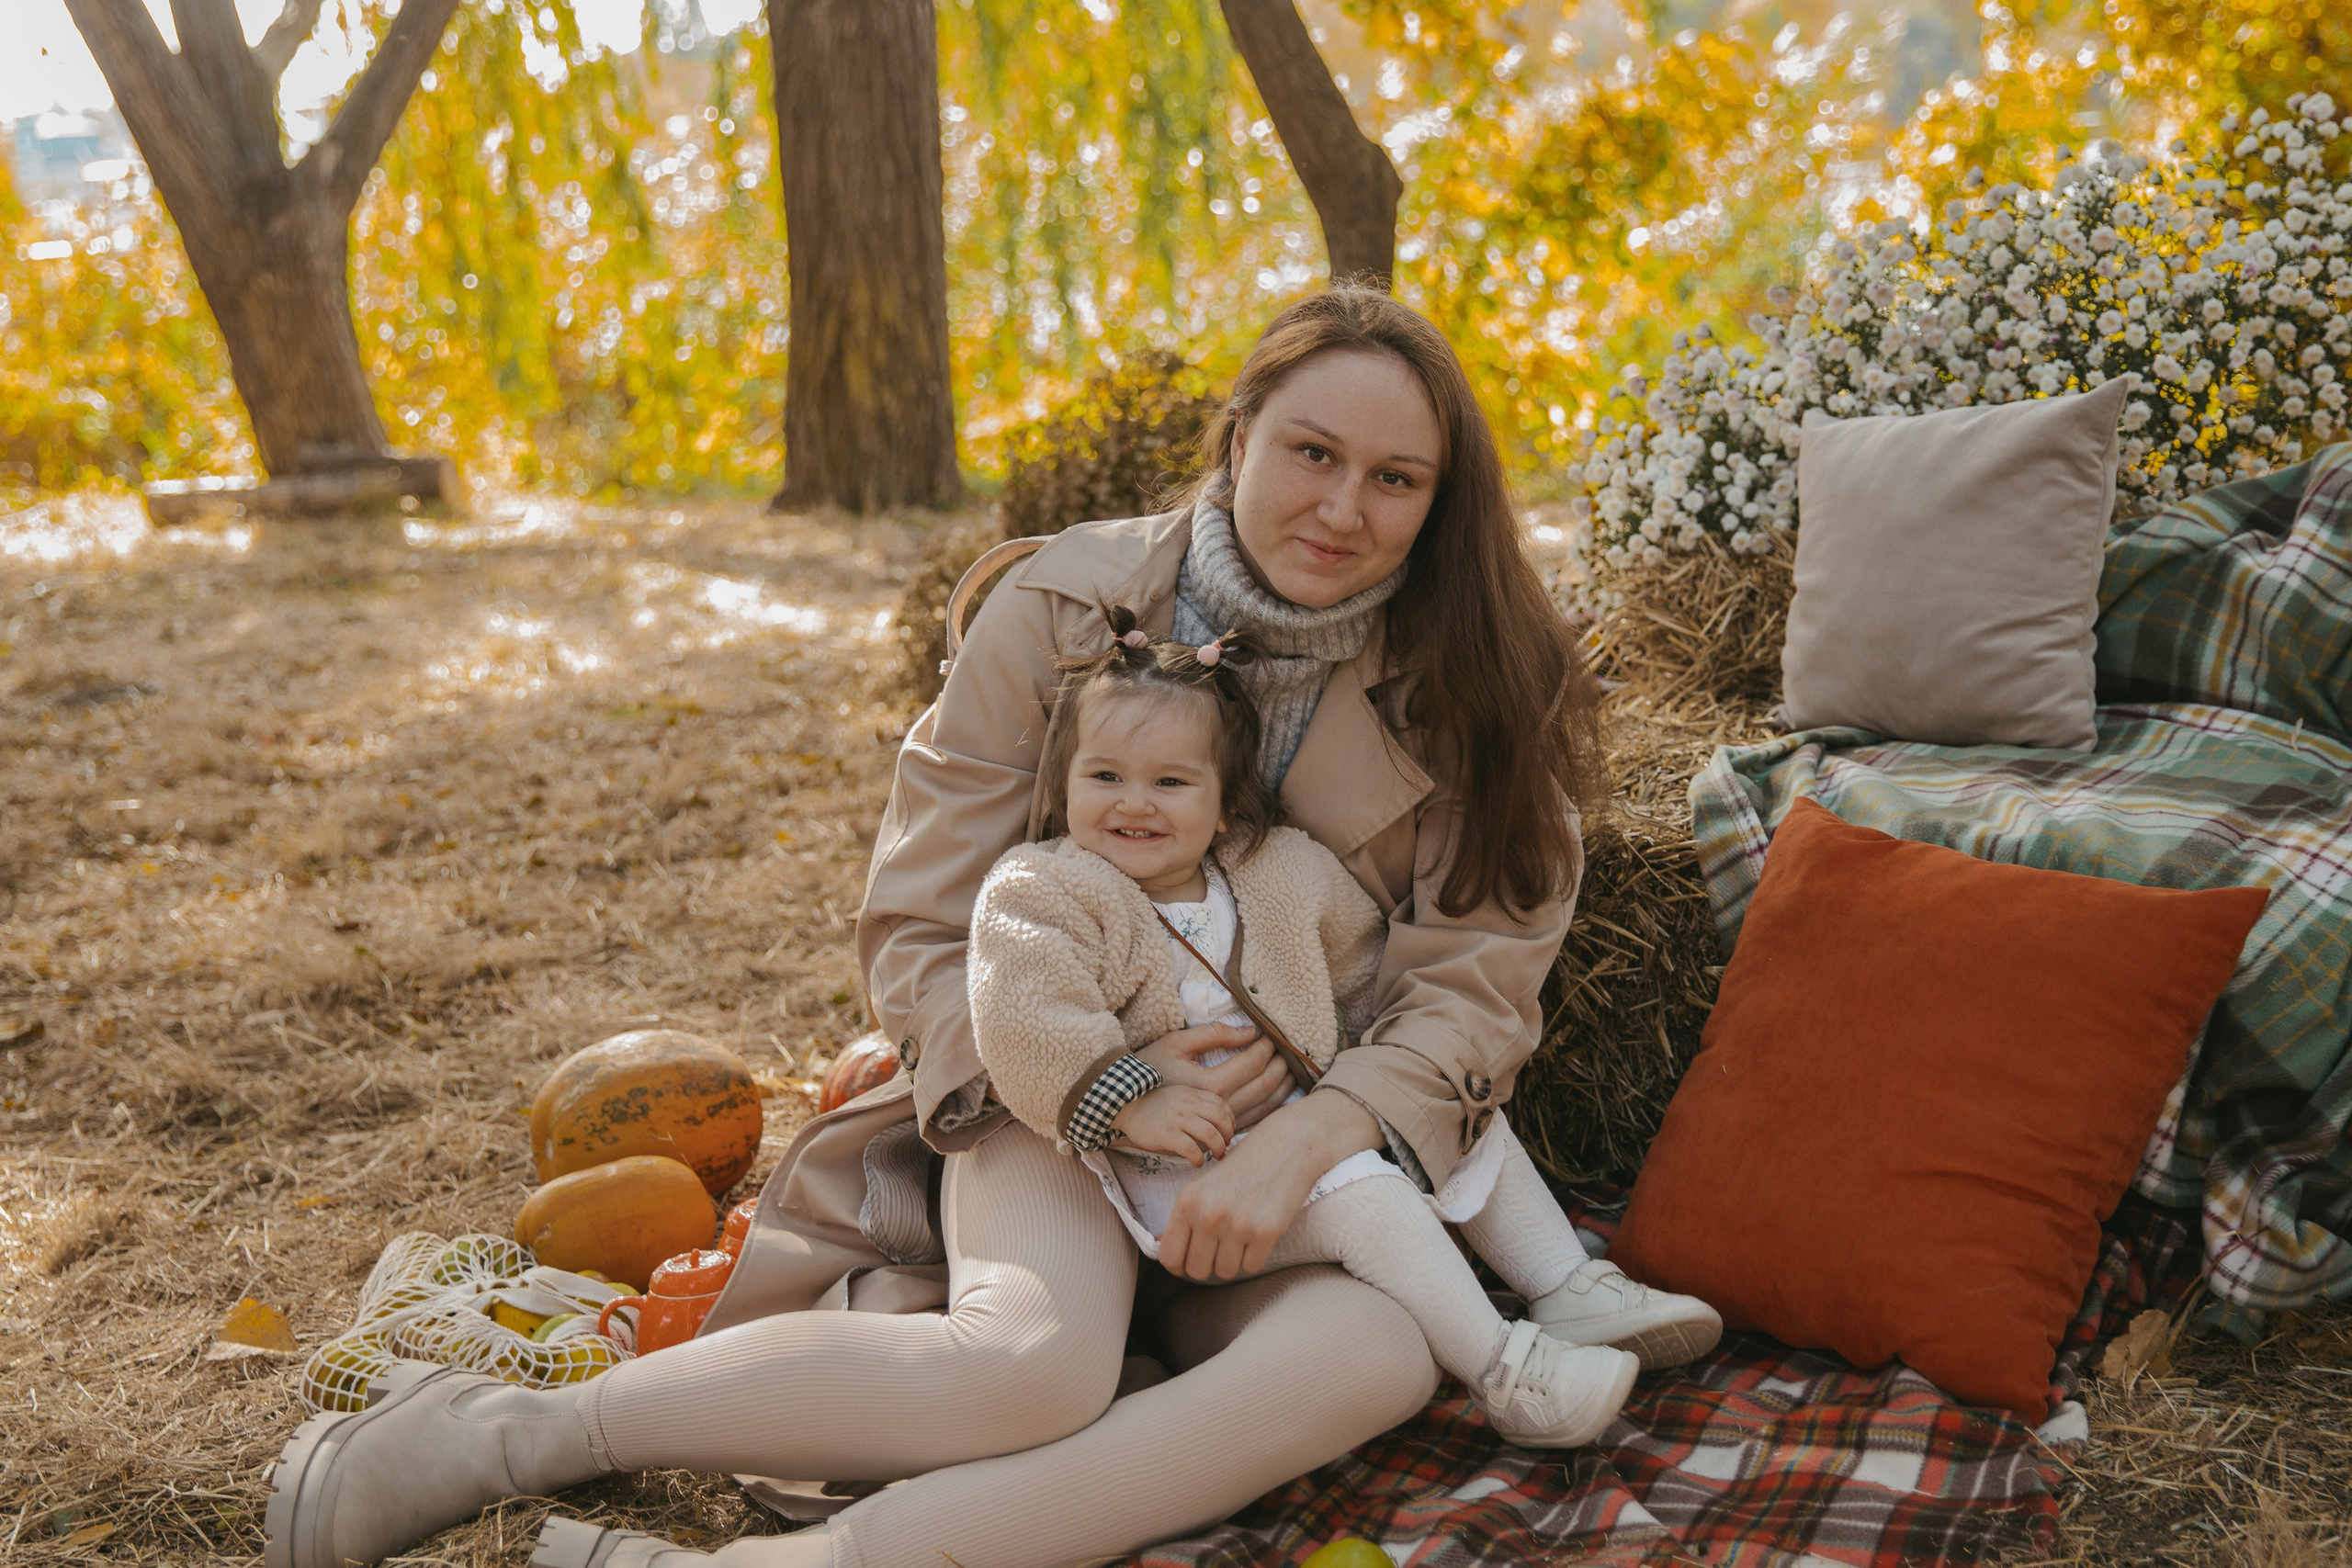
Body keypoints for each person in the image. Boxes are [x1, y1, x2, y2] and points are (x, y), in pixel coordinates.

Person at [263, 287, 1722, 1568]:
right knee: (1034, 1364)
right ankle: (505, 1433)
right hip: (1054, 1091)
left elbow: (1473, 992)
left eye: (1395, 478)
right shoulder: (1061, 601)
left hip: (1301, 1153)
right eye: (1313, 453)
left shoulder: (1483, 686)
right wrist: (1099, 1089)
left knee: (1383, 1351)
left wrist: (1299, 1136)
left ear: (1443, 501)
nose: (1344, 507)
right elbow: (921, 915)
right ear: (1239, 437)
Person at [968, 612, 1705, 1446]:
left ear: (1222, 805)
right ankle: (1510, 1376)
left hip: (1305, 1131)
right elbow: (1024, 1013)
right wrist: (1134, 1099)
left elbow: (1364, 973)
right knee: (1374, 1198)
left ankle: (1568, 1283)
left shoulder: (1278, 870)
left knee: (1451, 1117)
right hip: (1180, 1179)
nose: (1134, 803)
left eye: (1170, 783)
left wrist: (1371, 1080)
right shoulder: (1043, 890)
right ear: (1065, 783)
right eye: (1105, 775)